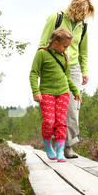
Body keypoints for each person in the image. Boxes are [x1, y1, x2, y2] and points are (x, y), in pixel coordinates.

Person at [37, 0, 95, 158]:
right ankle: (50, 141)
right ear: (75, 8)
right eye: (82, 13)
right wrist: (41, 67)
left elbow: (84, 51)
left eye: (86, 15)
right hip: (53, 65)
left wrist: (85, 71)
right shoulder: (56, 19)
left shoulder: (83, 26)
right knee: (51, 110)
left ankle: (67, 146)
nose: (84, 17)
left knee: (71, 108)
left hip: (73, 68)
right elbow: (42, 44)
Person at [30, 28, 82, 162]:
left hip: (63, 93)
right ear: (56, 42)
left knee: (61, 122)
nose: (66, 49)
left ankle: (60, 151)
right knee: (48, 122)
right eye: (65, 46)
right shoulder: (42, 54)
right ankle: (48, 146)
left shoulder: (64, 57)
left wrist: (75, 92)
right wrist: (36, 91)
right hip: (46, 93)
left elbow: (67, 77)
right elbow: (34, 73)